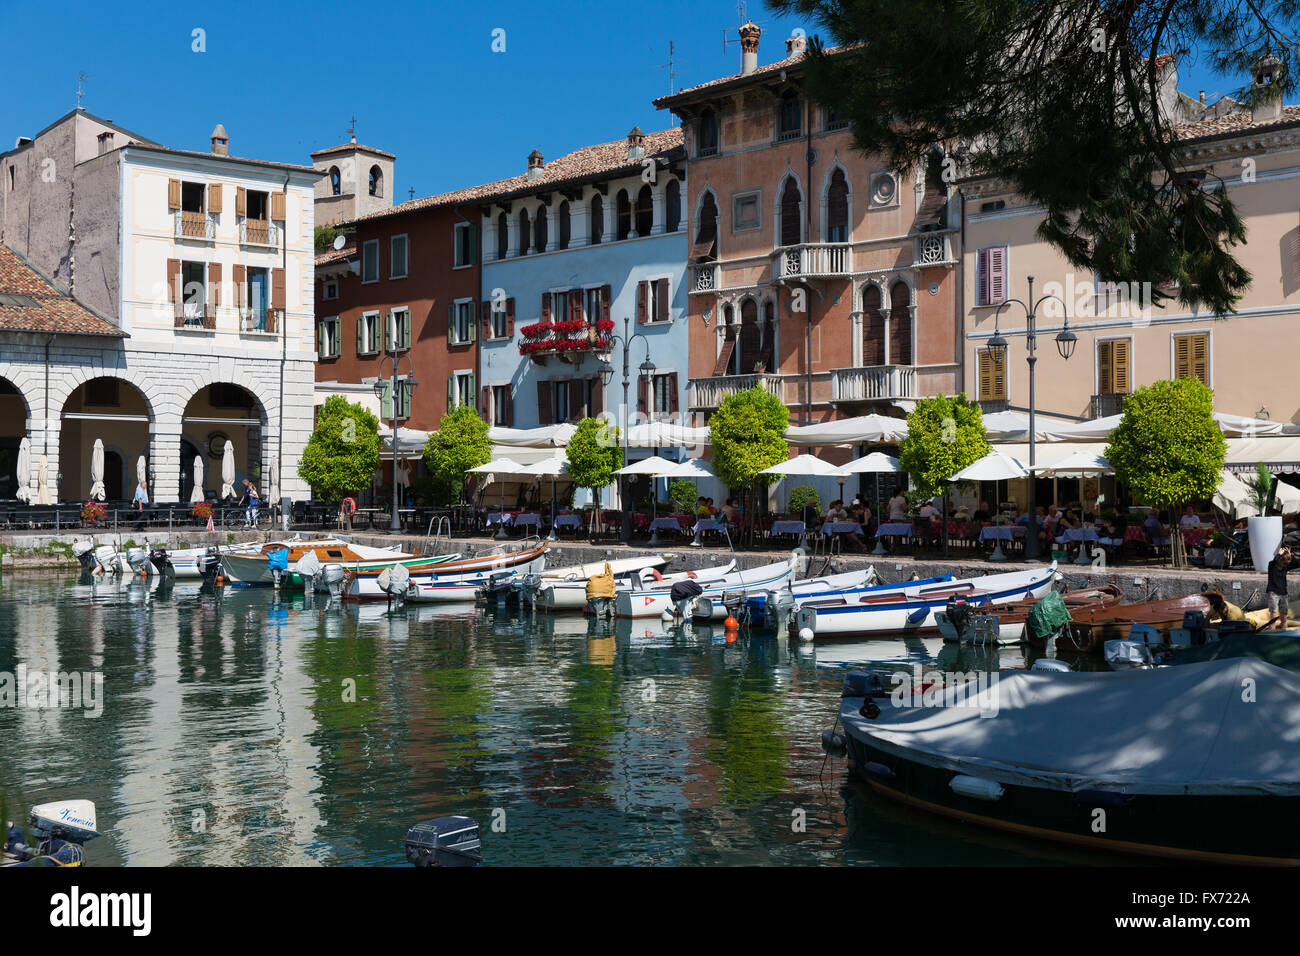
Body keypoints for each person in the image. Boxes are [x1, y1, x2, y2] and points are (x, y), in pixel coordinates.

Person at [1267, 546, 1291, 630]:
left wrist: (1289, 554)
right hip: (1273, 592)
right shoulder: (1272, 565)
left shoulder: (1285, 567)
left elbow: (1296, 563)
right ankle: (1272, 630)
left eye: (1286, 564)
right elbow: (1274, 561)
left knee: (1284, 614)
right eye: (1284, 563)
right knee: (1273, 613)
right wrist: (1278, 554)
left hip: (1283, 592)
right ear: (1280, 559)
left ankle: (1284, 628)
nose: (1285, 565)